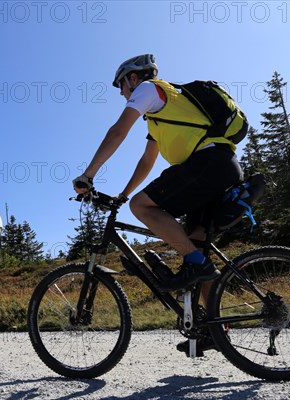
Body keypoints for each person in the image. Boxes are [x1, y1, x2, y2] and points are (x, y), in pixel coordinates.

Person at [72, 54, 244, 354]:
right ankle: (215, 329)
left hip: (207, 164)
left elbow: (117, 132)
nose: (122, 93)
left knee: (143, 207)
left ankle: (196, 263)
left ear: (133, 78)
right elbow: (146, 161)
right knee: (196, 246)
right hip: (221, 166)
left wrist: (89, 174)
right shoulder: (161, 114)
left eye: (121, 86)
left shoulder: (150, 89)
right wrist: (123, 195)